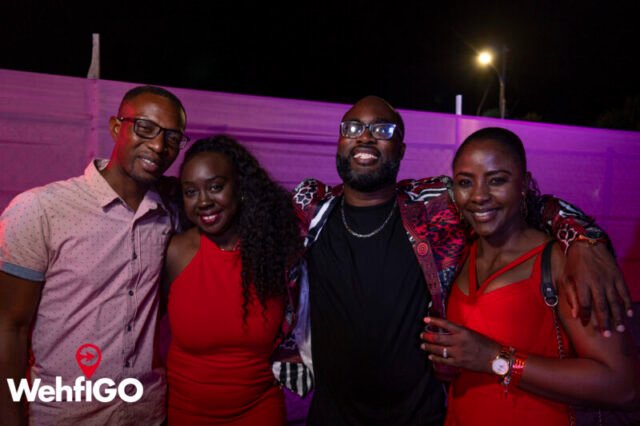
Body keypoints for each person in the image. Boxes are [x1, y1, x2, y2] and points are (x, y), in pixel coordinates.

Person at [275, 96, 633, 425]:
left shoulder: (435, 207)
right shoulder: (310, 209)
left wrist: (583, 240)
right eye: (352, 128)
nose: (365, 137)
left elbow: (528, 204)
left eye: (383, 130)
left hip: (422, 417)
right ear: (339, 140)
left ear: (401, 149)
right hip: (331, 416)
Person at [420, 127, 639, 425]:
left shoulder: (561, 261)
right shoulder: (457, 256)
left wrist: (494, 358)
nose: (479, 196)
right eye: (465, 182)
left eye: (497, 180)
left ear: (524, 183)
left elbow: (623, 386)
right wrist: (451, 362)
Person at [0, 86, 188, 425]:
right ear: (116, 127)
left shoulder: (170, 214)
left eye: (172, 138)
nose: (159, 146)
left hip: (146, 413)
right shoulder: (40, 209)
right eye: (145, 128)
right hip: (66, 415)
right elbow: (9, 327)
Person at [163, 135, 302, 425]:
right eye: (191, 192)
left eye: (216, 187)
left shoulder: (274, 254)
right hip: (186, 412)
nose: (203, 201)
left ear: (240, 189)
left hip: (259, 410)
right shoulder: (176, 252)